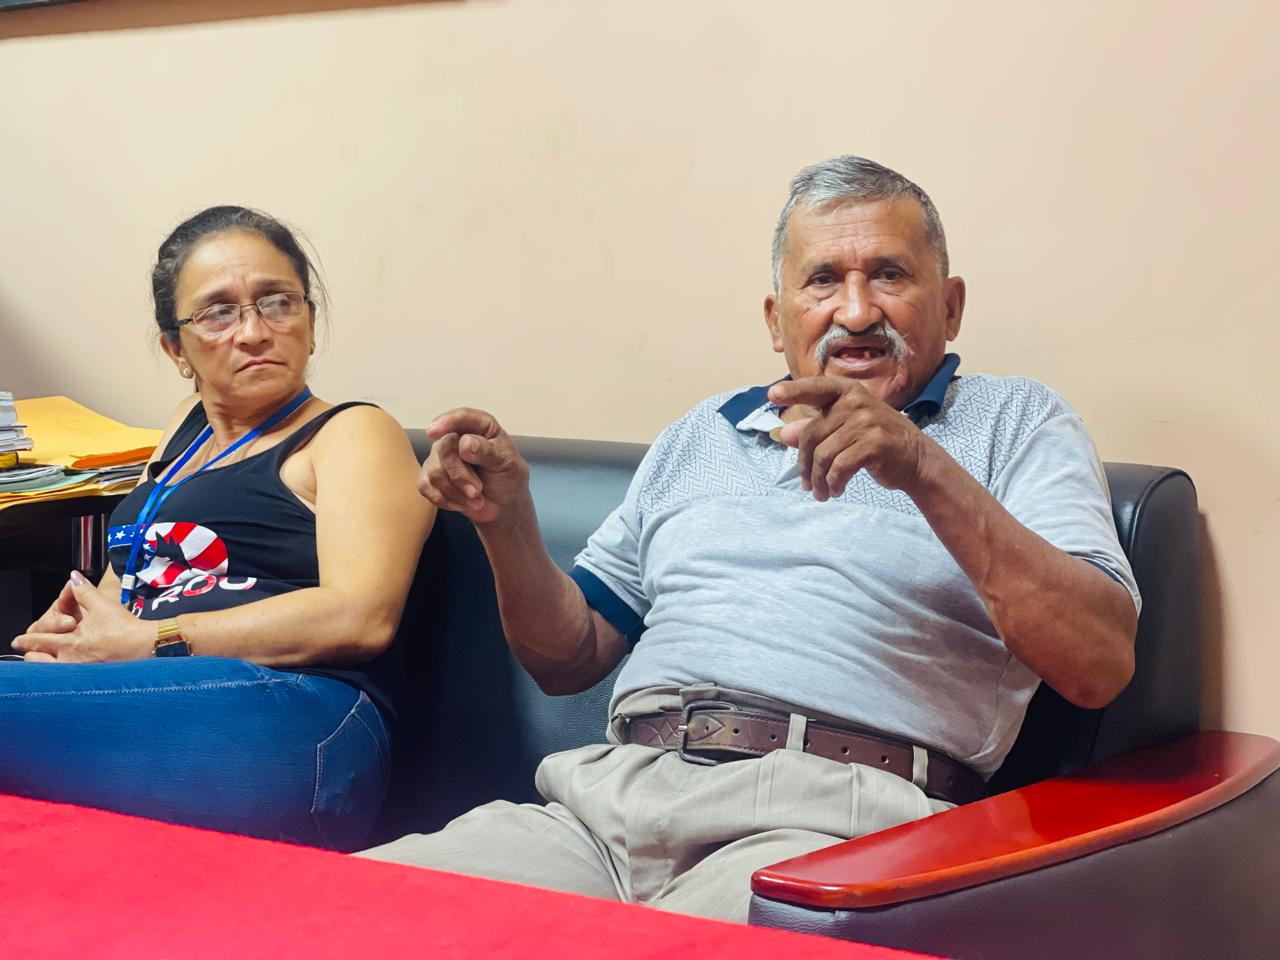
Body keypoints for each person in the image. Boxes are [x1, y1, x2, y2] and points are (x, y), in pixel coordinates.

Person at [361, 156, 1140, 920]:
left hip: (831, 824)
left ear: (951, 305)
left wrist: (919, 465)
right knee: (341, 916)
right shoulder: (700, 434)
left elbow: (1097, 664)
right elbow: (567, 659)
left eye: (890, 275)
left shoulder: (1016, 422)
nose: (857, 312)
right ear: (776, 319)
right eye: (823, 280)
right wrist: (506, 523)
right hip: (604, 807)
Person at [5, 206, 434, 850]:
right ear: (176, 349)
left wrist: (149, 642)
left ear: (311, 323)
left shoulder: (351, 432)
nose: (254, 331)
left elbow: (360, 616)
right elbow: (122, 593)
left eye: (278, 302)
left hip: (292, 715)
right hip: (153, 698)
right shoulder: (184, 433)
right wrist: (69, 643)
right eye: (217, 312)